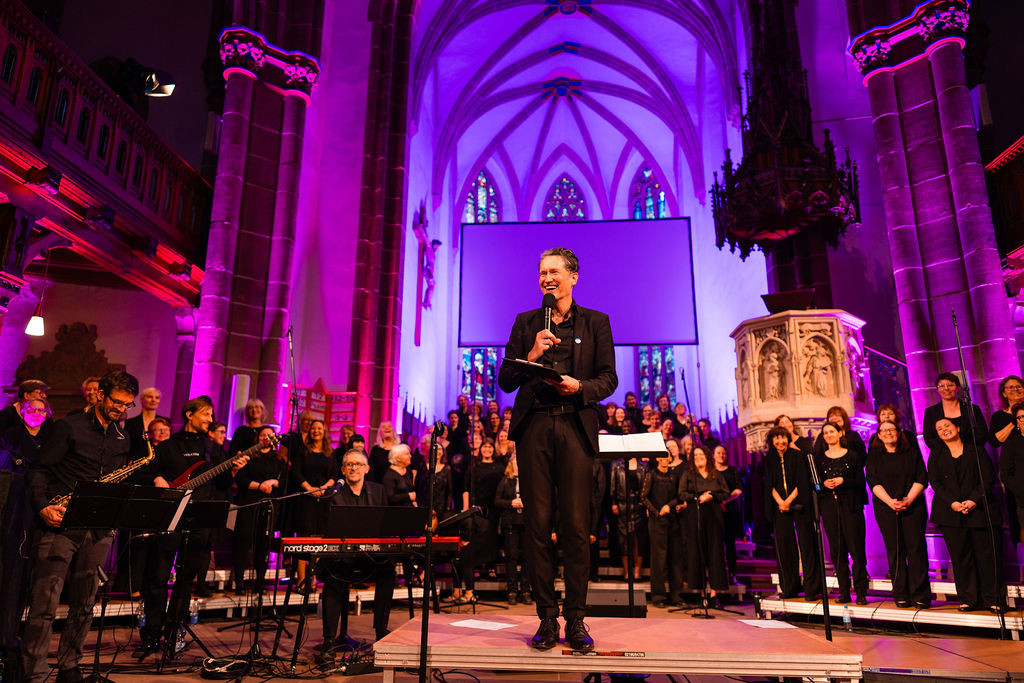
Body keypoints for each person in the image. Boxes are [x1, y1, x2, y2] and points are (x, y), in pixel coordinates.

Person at [497, 246, 617, 651]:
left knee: (576, 528)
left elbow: (608, 378)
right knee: (537, 526)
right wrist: (531, 353)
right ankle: (547, 617)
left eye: (554, 272)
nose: (546, 278)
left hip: (574, 426)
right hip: (535, 428)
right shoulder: (526, 322)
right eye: (541, 273)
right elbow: (506, 379)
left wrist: (580, 386)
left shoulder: (597, 322)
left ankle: (577, 619)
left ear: (573, 277)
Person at [22, 370, 139, 682]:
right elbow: (38, 470)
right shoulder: (68, 426)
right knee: (45, 604)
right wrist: (43, 507)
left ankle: (70, 667)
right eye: (116, 402)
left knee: (85, 605)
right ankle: (34, 674)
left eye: (127, 405)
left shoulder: (122, 437)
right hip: (59, 525)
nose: (121, 409)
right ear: (100, 395)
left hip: (98, 529)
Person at [134, 397, 248, 659]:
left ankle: (174, 634)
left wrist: (232, 472)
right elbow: (141, 473)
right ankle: (151, 634)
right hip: (169, 519)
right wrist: (156, 477)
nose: (210, 419)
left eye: (211, 415)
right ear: (189, 415)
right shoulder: (167, 447)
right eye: (206, 414)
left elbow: (222, 487)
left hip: (199, 522)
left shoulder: (213, 449)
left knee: (186, 581)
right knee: (157, 578)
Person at [316, 449, 394, 659]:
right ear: (343, 469)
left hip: (370, 559)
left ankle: (381, 633)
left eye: (358, 464)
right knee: (333, 579)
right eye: (349, 464)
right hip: (342, 559)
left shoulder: (378, 491)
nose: (353, 468)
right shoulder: (333, 493)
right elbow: (327, 529)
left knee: (388, 572)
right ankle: (329, 641)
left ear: (366, 468)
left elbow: (383, 525)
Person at [929, 418, 1004, 613]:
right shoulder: (936, 454)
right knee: (961, 558)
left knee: (987, 557)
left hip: (979, 510)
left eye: (947, 426)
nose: (944, 430)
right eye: (939, 428)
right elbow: (935, 482)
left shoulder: (976, 450)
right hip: (950, 513)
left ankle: (993, 599)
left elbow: (987, 478)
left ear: (957, 428)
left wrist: (973, 500)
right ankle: (969, 599)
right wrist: (952, 502)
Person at [0, 397, 52, 675]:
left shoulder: (50, 438)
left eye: (41, 409)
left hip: (42, 509)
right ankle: (7, 638)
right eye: (31, 409)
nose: (36, 413)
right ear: (22, 413)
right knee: (12, 576)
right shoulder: (10, 436)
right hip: (16, 507)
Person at [866, 420, 930, 608]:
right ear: (878, 435)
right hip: (886, 508)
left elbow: (921, 477)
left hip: (913, 506)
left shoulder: (911, 452)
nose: (888, 433)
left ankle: (920, 595)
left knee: (916, 550)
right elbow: (873, 481)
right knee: (895, 551)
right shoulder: (874, 456)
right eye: (884, 430)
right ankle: (901, 594)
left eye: (892, 429)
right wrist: (890, 502)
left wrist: (908, 500)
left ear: (899, 432)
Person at [762, 425, 821, 600]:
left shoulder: (797, 455)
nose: (780, 441)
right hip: (779, 507)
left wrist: (788, 501)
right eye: (777, 438)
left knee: (807, 546)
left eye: (783, 437)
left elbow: (802, 482)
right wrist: (781, 502)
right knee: (785, 548)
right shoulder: (769, 459)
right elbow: (769, 485)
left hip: (799, 505)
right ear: (772, 441)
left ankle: (811, 589)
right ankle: (789, 588)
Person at [815, 422, 869, 604]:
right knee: (837, 552)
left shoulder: (853, 456)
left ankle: (861, 592)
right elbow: (815, 486)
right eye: (825, 433)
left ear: (840, 433)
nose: (829, 435)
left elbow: (861, 482)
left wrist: (843, 481)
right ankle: (844, 592)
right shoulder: (819, 460)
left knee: (857, 550)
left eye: (832, 431)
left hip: (851, 507)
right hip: (830, 508)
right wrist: (823, 484)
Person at [231, 425, 285, 595]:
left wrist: (274, 482)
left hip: (268, 506)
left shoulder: (278, 460)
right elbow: (240, 479)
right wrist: (259, 486)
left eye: (270, 435)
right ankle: (239, 583)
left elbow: (284, 482)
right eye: (263, 435)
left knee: (264, 545)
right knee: (243, 542)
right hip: (248, 503)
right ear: (258, 438)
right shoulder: (248, 456)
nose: (266, 438)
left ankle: (260, 583)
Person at [678, 446, 729, 601]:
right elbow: (681, 493)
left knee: (715, 552)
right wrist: (697, 498)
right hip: (695, 515)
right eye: (695, 455)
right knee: (697, 551)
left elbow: (725, 493)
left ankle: (714, 593)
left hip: (714, 516)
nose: (698, 457)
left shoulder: (716, 474)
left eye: (701, 454)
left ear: (707, 456)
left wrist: (711, 496)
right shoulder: (688, 475)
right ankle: (701, 593)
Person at [641, 446, 681, 606]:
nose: (664, 459)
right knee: (658, 560)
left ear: (670, 458)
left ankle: (676, 596)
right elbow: (643, 497)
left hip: (672, 520)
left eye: (667, 456)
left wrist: (668, 506)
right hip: (657, 521)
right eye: (662, 456)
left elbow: (679, 496)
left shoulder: (674, 476)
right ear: (657, 458)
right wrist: (657, 512)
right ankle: (658, 596)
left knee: (675, 559)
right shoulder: (651, 475)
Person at [495, 454, 530, 604]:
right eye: (516, 460)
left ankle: (526, 590)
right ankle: (512, 591)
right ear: (511, 464)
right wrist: (511, 503)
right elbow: (497, 501)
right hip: (510, 523)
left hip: (526, 523)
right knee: (511, 558)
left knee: (527, 558)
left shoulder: (530, 480)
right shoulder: (505, 480)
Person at [922, 373, 988, 452]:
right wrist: (950, 451)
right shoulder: (931, 412)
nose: (946, 388)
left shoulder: (972, 409)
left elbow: (982, 434)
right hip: (943, 455)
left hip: (971, 453)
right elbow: (929, 439)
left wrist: (964, 450)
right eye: (941, 386)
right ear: (937, 390)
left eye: (950, 385)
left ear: (958, 388)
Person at [610, 456, 648, 580]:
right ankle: (627, 571)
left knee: (639, 538)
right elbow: (613, 485)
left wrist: (647, 505)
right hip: (623, 505)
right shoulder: (617, 465)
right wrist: (614, 503)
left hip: (639, 505)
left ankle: (637, 570)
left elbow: (647, 486)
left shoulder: (643, 466)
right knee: (624, 539)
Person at [713, 444, 744, 583]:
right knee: (715, 544)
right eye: (718, 453)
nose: (721, 455)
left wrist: (725, 501)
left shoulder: (732, 471)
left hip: (729, 510)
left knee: (730, 544)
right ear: (713, 455)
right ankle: (717, 574)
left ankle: (732, 573)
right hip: (714, 511)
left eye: (724, 453)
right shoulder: (710, 472)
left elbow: (739, 490)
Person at [999, 401, 1024, 547]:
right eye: (1020, 417)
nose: (1023, 420)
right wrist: (1020, 490)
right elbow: (1005, 475)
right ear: (1017, 422)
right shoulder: (1011, 444)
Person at [124, 387, 170, 460]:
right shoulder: (130, 423)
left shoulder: (166, 421)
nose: (153, 400)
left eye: (157, 397)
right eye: (150, 397)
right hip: (138, 461)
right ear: (142, 400)